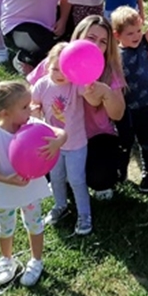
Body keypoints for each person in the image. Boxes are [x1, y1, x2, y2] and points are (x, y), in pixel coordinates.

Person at [0, 78, 66, 287]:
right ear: (5, 113)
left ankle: (36, 260)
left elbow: (61, 132)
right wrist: (7, 179)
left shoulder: (32, 124)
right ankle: (6, 260)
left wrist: (57, 142)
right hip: (5, 191)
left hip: (30, 189)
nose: (31, 109)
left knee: (34, 224)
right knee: (4, 228)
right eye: (25, 107)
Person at [26, 16, 127, 201]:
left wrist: (105, 92)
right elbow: (33, 92)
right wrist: (34, 109)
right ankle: (63, 178)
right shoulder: (57, 61)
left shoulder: (108, 69)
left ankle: (96, 174)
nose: (96, 45)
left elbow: (118, 114)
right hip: (58, 135)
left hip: (95, 136)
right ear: (78, 36)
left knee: (101, 178)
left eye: (103, 42)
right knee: (43, 169)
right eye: (91, 38)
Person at [33, 42, 105, 235]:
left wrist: (90, 87)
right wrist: (35, 109)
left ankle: (84, 214)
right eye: (55, 69)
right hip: (53, 145)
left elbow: (91, 98)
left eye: (65, 70)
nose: (60, 74)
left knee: (76, 180)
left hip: (76, 145)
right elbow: (34, 102)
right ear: (47, 66)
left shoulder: (75, 85)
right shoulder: (42, 85)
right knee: (56, 178)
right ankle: (60, 205)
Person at [112, 4, 148, 193]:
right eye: (130, 33)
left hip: (146, 105)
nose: (136, 36)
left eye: (138, 31)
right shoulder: (114, 56)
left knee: (147, 141)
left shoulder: (143, 44)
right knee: (124, 142)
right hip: (125, 109)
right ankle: (121, 173)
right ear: (117, 35)